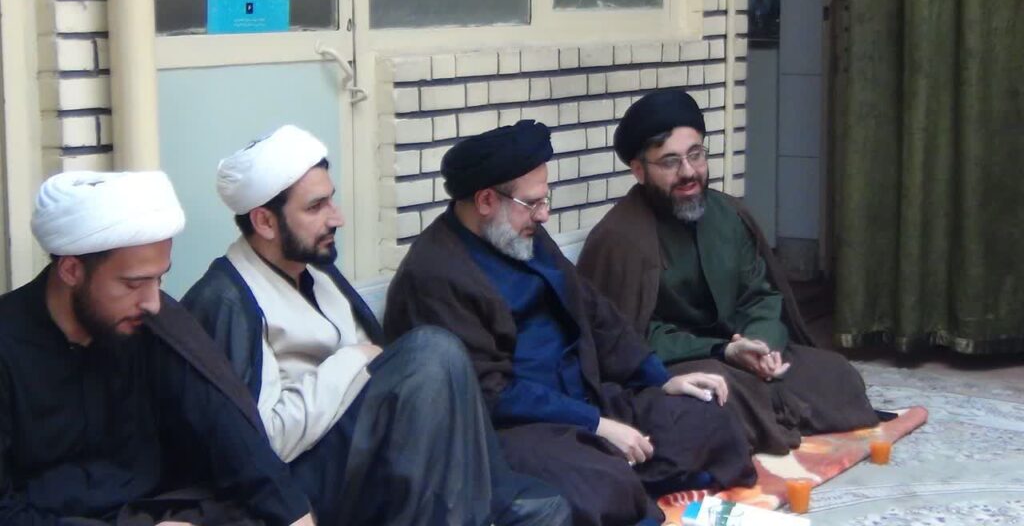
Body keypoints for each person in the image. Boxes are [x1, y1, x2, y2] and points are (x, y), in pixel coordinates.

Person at [182, 125, 570, 526]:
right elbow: (261, 443)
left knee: (549, 510)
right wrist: (351, 361)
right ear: (264, 221)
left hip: (371, 452)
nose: (337, 218)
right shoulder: (227, 300)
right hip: (311, 483)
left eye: (331, 200)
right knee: (432, 351)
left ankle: (488, 501)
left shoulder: (316, 272)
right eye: (316, 207)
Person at [383, 120, 756, 526]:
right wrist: (595, 425)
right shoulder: (435, 276)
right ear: (486, 200)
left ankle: (635, 484)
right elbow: (489, 394)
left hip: (588, 395)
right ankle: (632, 487)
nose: (544, 214)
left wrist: (659, 378)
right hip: (519, 430)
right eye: (533, 203)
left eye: (545, 199)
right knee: (598, 481)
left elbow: (595, 312)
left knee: (709, 421)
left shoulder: (521, 234)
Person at [0, 171, 314, 525]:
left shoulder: (155, 324)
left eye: (159, 279)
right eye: (133, 284)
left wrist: (294, 515)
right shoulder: (8, 346)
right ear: (72, 270)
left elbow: (228, 434)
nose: (152, 302)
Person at [577, 89, 880, 454]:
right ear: (639, 171)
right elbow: (628, 337)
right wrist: (722, 350)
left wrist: (762, 345)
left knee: (836, 374)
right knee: (718, 396)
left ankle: (766, 417)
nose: (689, 172)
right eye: (670, 162)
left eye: (696, 155)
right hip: (679, 363)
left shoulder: (729, 215)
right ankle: (765, 422)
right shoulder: (618, 240)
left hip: (741, 349)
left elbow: (760, 294)